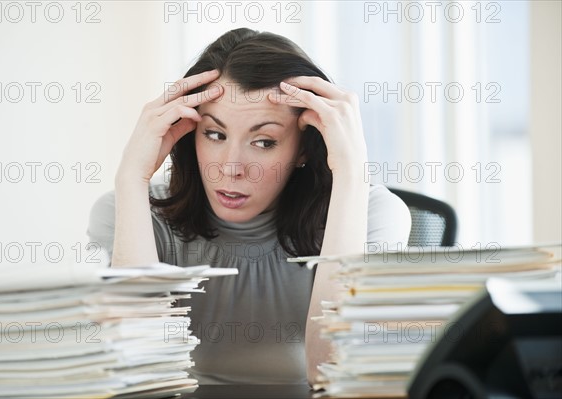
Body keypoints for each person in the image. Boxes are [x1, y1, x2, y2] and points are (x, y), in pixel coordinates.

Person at [87, 28, 411, 386]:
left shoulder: (373, 215)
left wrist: (350, 174)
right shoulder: (131, 212)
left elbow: (334, 377)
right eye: (215, 134)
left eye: (263, 141)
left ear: (304, 147)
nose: (231, 168)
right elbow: (136, 377)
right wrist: (132, 177)